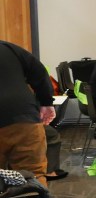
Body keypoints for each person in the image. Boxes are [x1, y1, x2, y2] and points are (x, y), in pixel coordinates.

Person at [0, 39, 55, 186]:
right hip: (24, 118)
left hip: (22, 116)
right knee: (33, 176)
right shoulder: (8, 48)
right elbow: (39, 71)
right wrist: (46, 102)